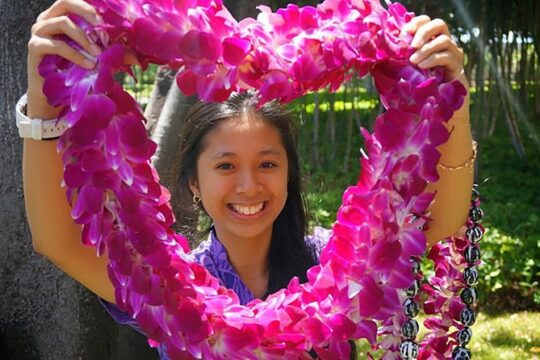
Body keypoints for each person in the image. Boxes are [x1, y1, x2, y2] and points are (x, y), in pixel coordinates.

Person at [22, 0, 475, 358]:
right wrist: (44, 105)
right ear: (193, 184)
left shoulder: (329, 263)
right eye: (224, 166)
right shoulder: (165, 285)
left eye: (267, 163)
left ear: (288, 174)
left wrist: (451, 101)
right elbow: (56, 241)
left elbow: (443, 221)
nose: (248, 185)